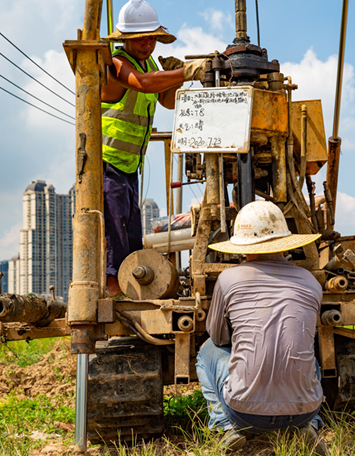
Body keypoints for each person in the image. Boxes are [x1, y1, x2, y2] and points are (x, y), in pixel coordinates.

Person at [196, 201, 329, 454]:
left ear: (242, 246)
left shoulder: (228, 278)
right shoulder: (311, 282)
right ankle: (308, 425)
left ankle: (226, 426)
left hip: (245, 414)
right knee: (308, 355)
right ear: (284, 243)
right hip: (305, 410)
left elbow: (218, 336)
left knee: (206, 351)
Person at [101, 0, 206, 296]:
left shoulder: (149, 66)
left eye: (151, 38)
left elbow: (167, 101)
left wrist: (173, 79)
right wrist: (186, 72)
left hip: (129, 167)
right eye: (140, 39)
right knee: (115, 238)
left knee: (132, 237)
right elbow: (145, 84)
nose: (147, 44)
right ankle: (114, 298)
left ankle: (128, 293)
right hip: (107, 164)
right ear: (125, 39)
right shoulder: (120, 63)